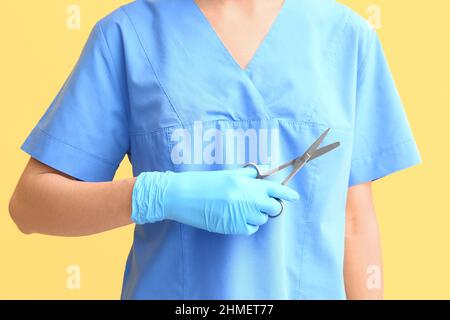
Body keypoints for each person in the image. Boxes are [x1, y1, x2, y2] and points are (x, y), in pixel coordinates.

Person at [9, 0, 421, 299]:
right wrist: (156, 194)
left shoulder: (346, 38)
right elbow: (29, 206)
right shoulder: (128, 35)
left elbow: (353, 219)